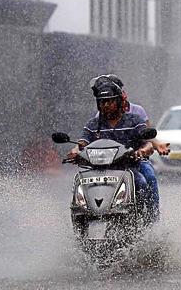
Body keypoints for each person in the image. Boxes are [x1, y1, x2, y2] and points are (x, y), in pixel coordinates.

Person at [67, 80, 158, 223]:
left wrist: (143, 151)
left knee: (141, 182)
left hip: (128, 168)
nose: (106, 106)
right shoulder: (93, 124)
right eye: (102, 102)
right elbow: (81, 144)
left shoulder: (135, 120)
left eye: (110, 102)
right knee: (80, 187)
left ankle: (144, 222)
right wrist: (74, 152)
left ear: (119, 102)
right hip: (97, 170)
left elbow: (148, 143)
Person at [88, 74, 168, 222]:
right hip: (108, 161)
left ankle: (150, 217)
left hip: (134, 160)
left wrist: (154, 145)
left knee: (148, 177)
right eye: (103, 100)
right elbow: (91, 139)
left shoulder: (137, 112)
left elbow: (147, 136)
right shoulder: (100, 116)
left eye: (110, 99)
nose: (106, 105)